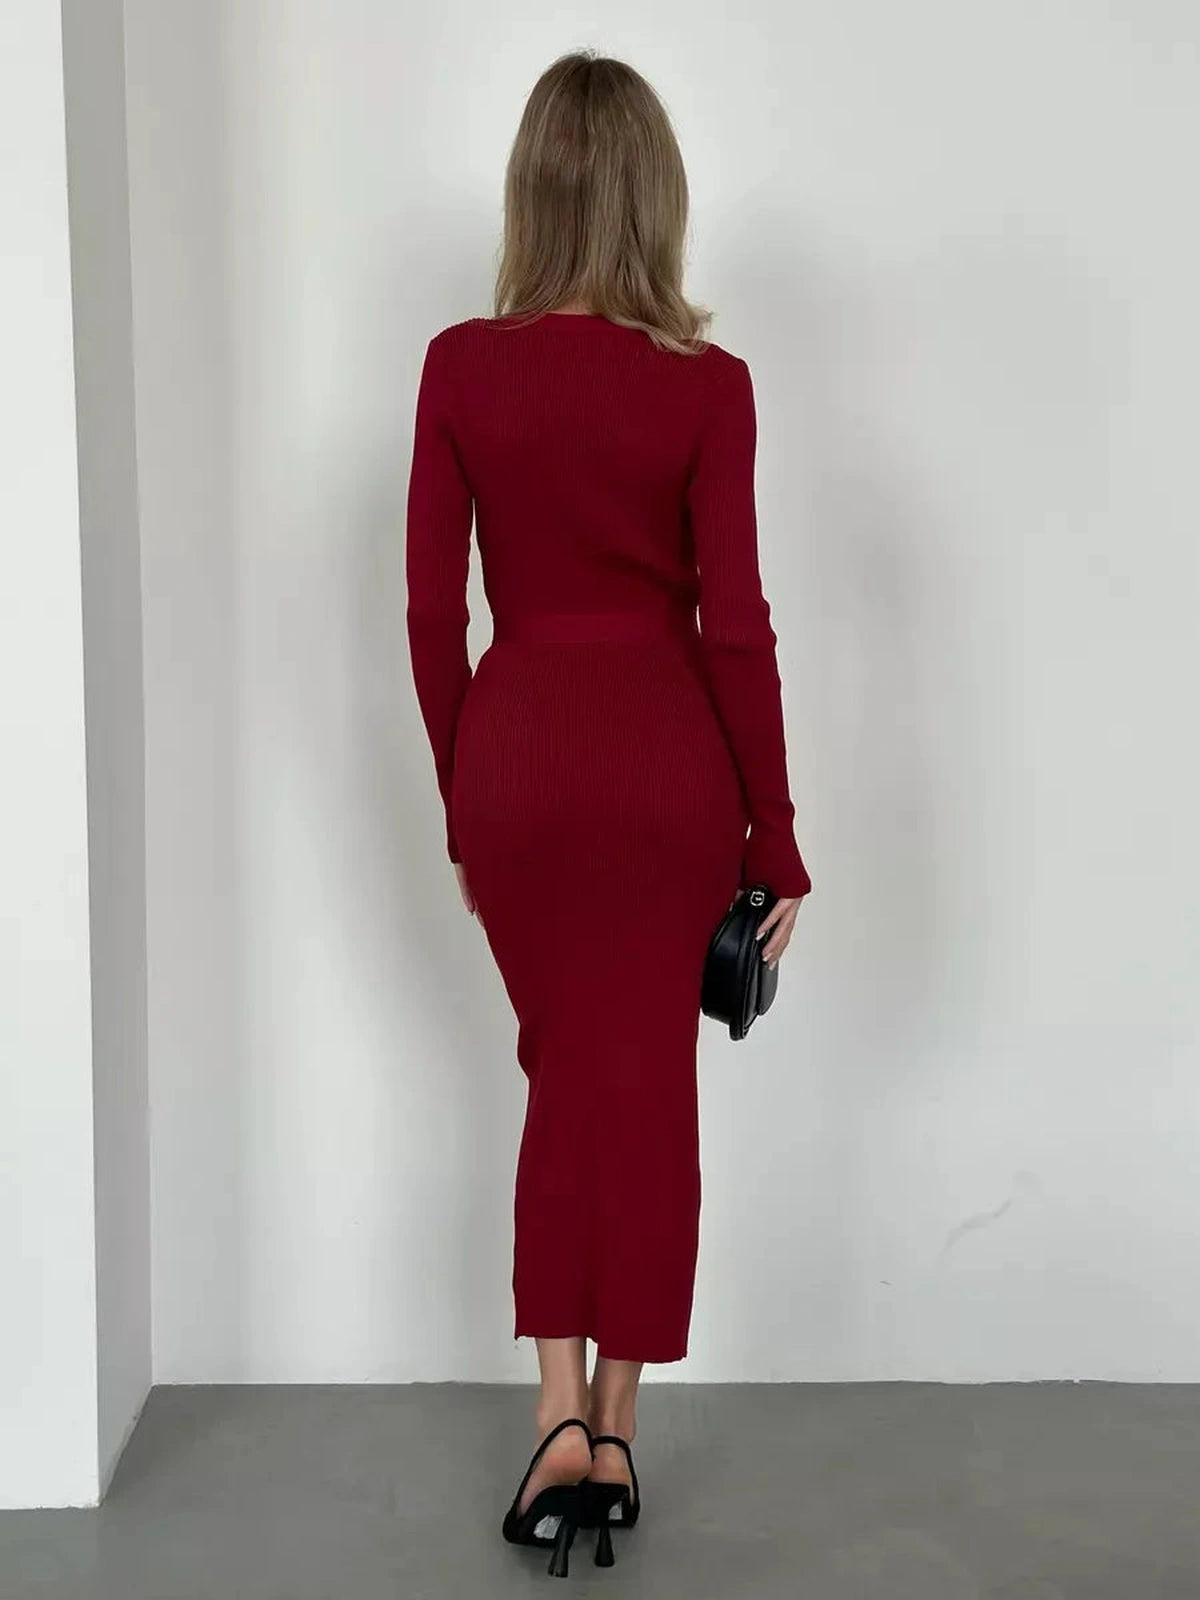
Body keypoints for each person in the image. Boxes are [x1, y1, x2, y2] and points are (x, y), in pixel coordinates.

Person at [405, 49, 812, 1577]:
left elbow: (429, 613)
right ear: (657, 197)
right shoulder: (709, 387)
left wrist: (464, 794)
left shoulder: (460, 368)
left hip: (517, 760)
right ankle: (614, 1431)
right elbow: (736, 626)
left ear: (531, 192)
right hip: (662, 765)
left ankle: (559, 1418)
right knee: (641, 1087)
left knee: (564, 1070)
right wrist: (775, 834)